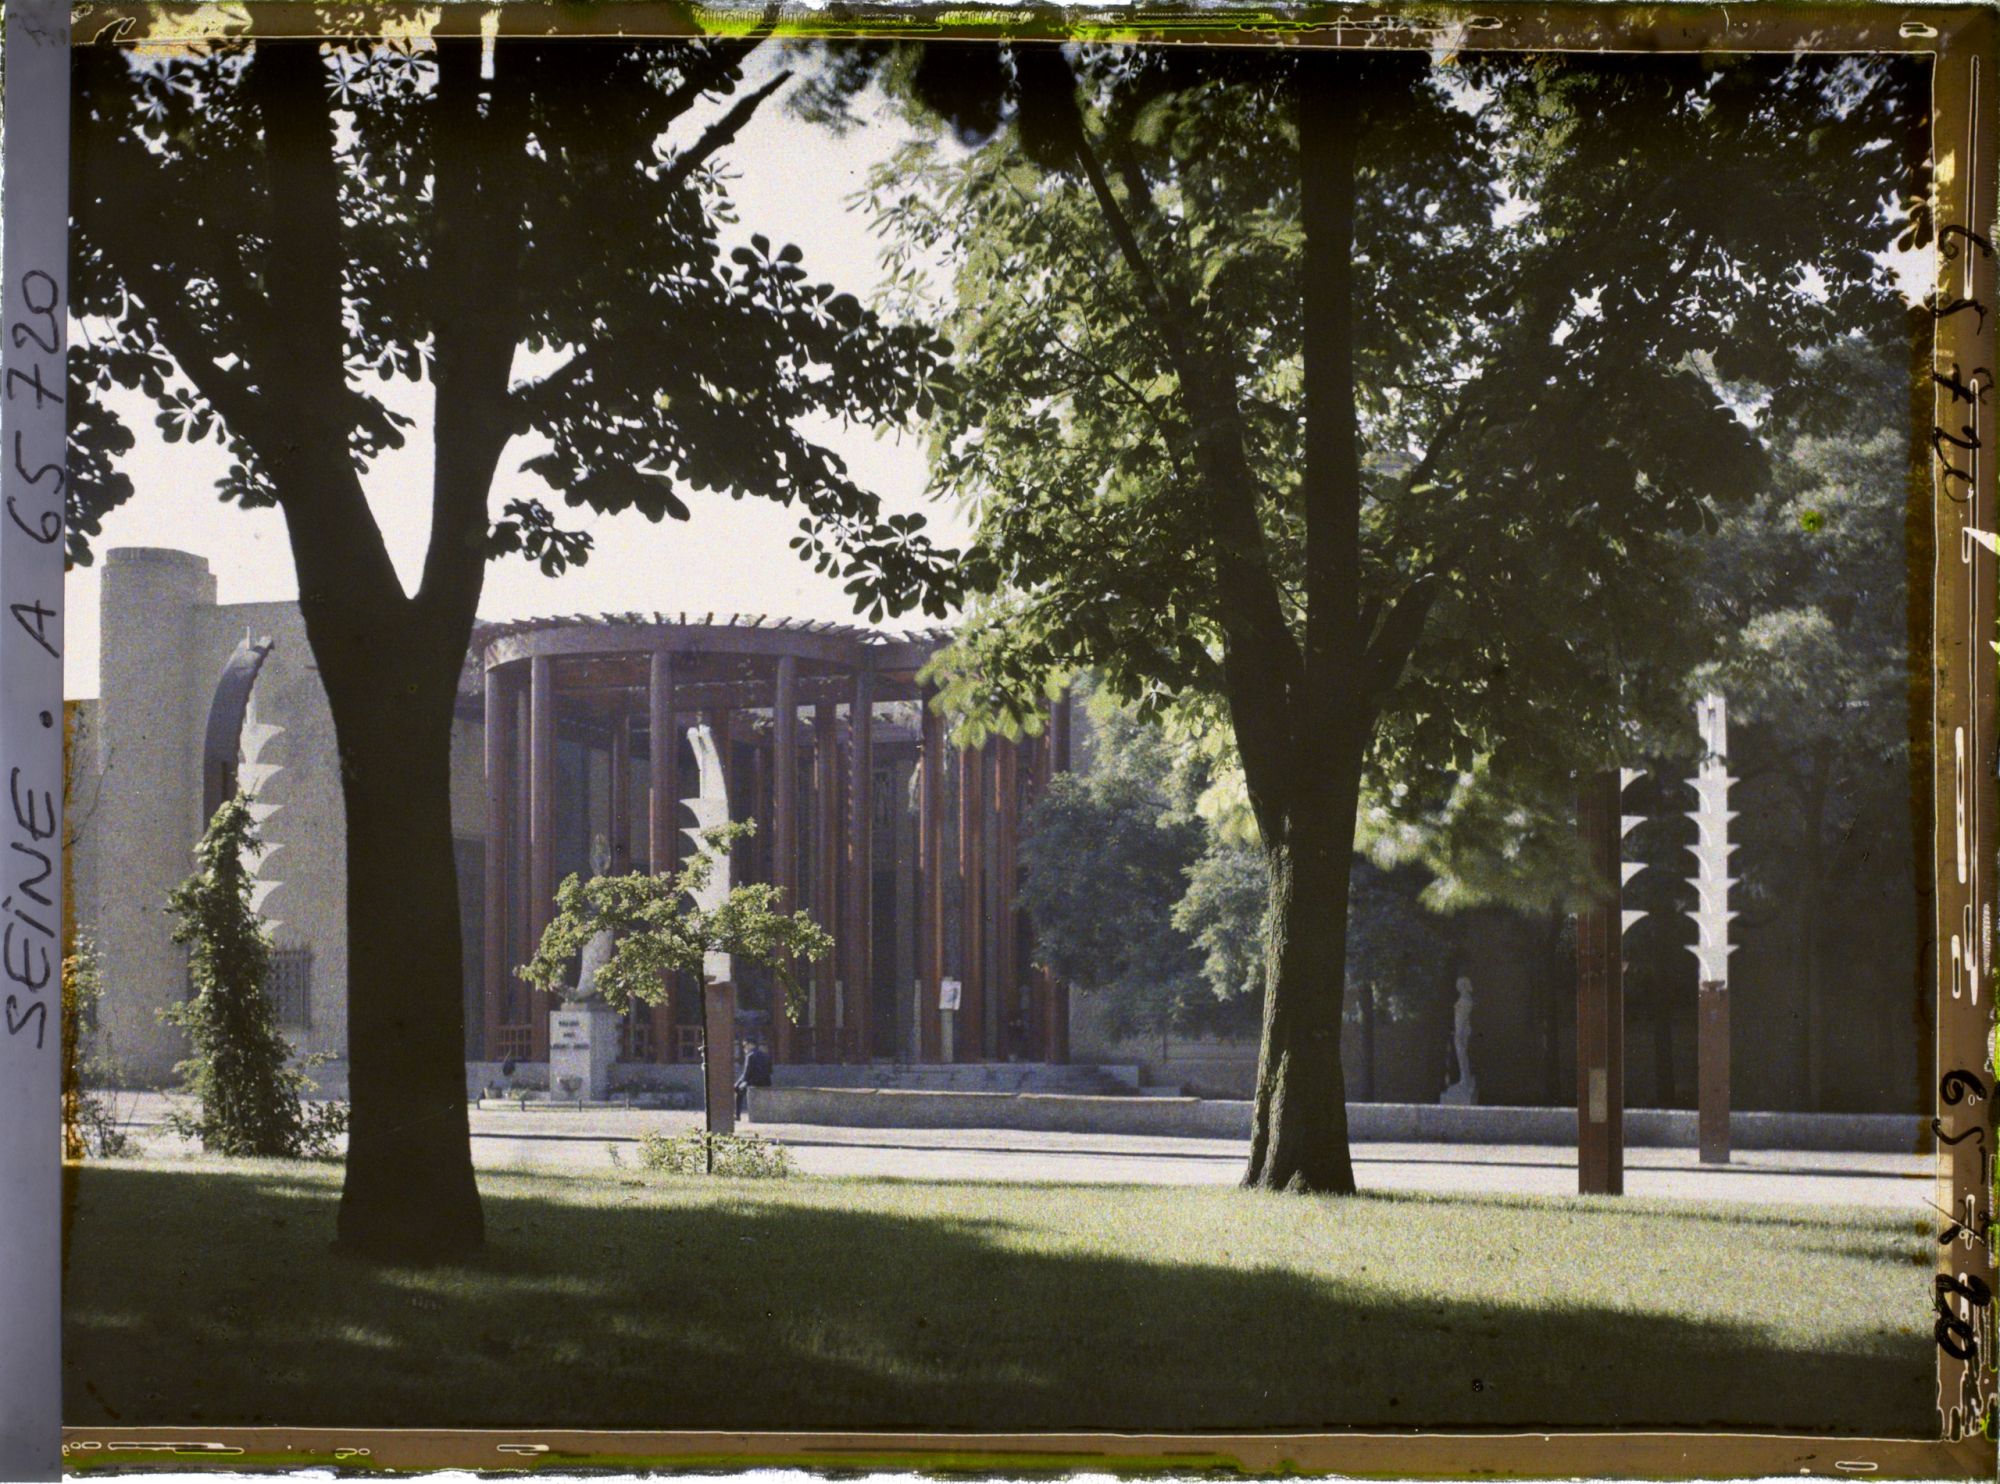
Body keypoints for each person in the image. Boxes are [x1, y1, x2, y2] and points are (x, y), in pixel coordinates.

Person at [735, 1037, 773, 1120]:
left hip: (753, 1082)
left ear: (751, 1045)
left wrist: (737, 1084)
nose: (744, 1048)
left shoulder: (750, 1055)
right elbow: (770, 1071)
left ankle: (737, 1115)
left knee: (738, 1090)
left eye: (745, 1045)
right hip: (766, 1082)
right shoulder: (766, 1055)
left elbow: (746, 1073)